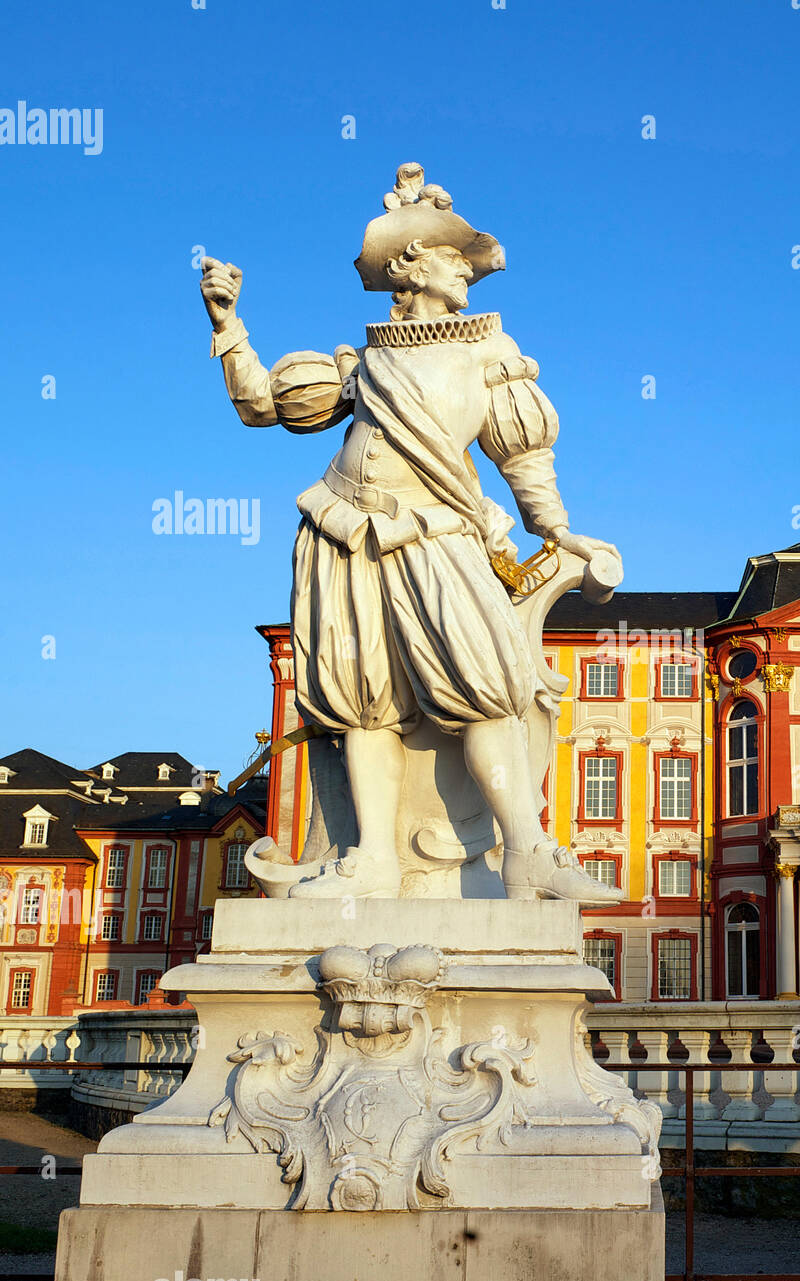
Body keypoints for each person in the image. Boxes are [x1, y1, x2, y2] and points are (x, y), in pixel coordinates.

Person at [200, 163, 622, 903]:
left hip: (436, 533)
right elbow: (263, 404)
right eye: (452, 256)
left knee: (488, 687)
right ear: (410, 266)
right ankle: (371, 860)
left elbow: (522, 452)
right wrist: (228, 324)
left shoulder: (489, 354)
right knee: (363, 698)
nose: (466, 269)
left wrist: (561, 530)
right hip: (342, 529)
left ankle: (528, 849)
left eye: (468, 258)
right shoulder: (363, 362)